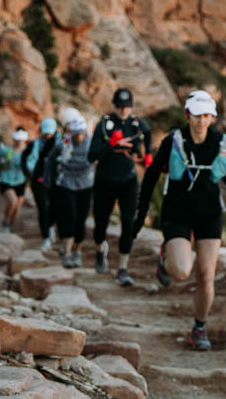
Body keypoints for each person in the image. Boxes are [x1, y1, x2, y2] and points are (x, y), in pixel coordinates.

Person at [134, 90, 226, 350]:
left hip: (209, 213)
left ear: (212, 117)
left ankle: (199, 327)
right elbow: (151, 176)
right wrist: (141, 212)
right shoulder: (174, 141)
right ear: (187, 115)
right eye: (196, 115)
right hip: (177, 211)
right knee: (181, 272)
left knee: (206, 275)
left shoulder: (221, 144)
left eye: (206, 115)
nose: (201, 121)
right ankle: (166, 257)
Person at [88, 87, 153, 286]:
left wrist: (147, 154)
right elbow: (91, 155)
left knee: (128, 223)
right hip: (105, 180)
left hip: (128, 180)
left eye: (127, 106)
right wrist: (111, 144)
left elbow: (148, 133)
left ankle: (122, 268)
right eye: (121, 106)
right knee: (100, 223)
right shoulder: (104, 125)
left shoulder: (137, 125)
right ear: (115, 106)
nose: (124, 110)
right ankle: (100, 251)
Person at [46, 108, 95, 268]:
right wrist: (49, 179)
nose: (79, 136)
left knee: (81, 220)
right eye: (76, 133)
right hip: (66, 185)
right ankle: (66, 253)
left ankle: (77, 252)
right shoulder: (64, 144)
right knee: (70, 217)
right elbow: (50, 159)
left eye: (81, 133)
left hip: (85, 186)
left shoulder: (91, 145)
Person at [24, 117, 59, 251]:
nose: (48, 136)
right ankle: (45, 237)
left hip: (54, 181)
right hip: (37, 180)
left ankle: (50, 226)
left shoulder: (60, 143)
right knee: (43, 208)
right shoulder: (34, 145)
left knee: (55, 207)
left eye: (50, 133)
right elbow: (24, 158)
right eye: (46, 133)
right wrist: (29, 173)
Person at [0, 127, 30, 232]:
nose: (19, 142)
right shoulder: (6, 150)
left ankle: (12, 225)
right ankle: (6, 221)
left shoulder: (27, 151)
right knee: (13, 201)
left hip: (21, 181)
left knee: (18, 205)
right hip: (7, 180)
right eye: (17, 139)